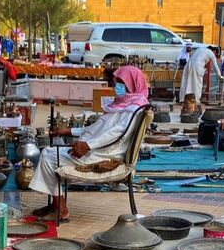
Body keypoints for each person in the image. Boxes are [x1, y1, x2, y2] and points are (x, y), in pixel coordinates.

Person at [29, 66, 149, 222]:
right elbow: (95, 129)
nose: (116, 87)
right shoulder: (122, 105)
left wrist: (88, 146)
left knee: (48, 155)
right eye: (116, 82)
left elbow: (116, 134)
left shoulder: (133, 109)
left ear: (131, 84)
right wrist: (68, 131)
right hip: (99, 149)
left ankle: (61, 210)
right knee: (50, 152)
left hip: (104, 155)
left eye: (120, 83)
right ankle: (55, 205)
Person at [179, 45, 223, 112]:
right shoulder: (211, 53)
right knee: (197, 84)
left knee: (186, 82)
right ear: (214, 51)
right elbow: (216, 66)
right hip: (197, 66)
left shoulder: (200, 49)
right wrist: (220, 76)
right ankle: (196, 101)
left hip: (188, 65)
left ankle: (182, 99)